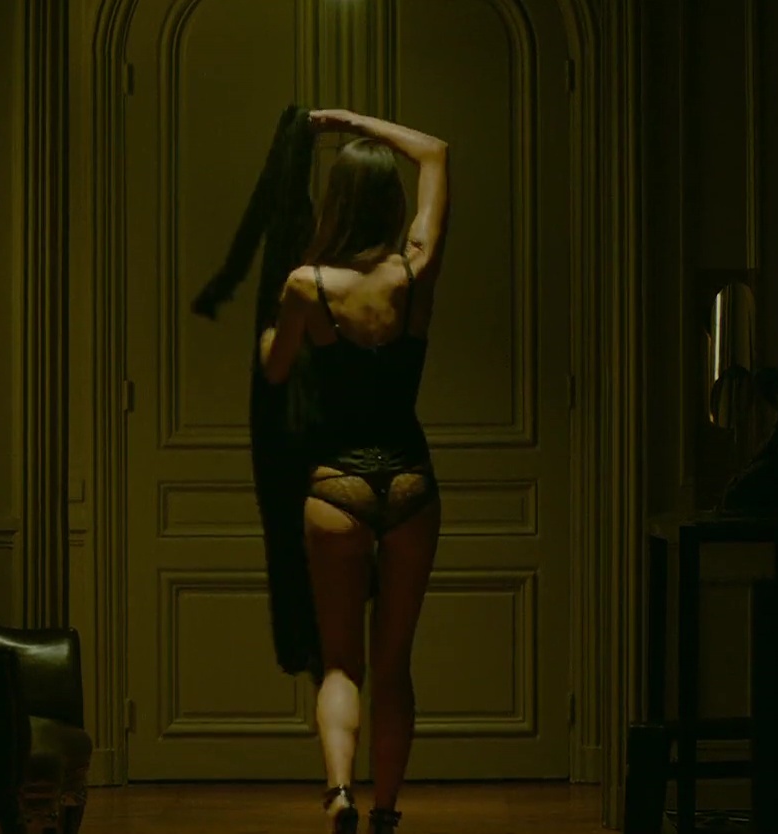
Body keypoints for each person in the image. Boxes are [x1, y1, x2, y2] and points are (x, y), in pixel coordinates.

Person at [256, 108, 449, 834]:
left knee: (341, 664)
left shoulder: (307, 285)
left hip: (335, 486)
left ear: (335, 203)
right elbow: (436, 151)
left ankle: (339, 793)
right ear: (391, 205)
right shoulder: (415, 273)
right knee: (394, 665)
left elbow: (277, 372)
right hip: (410, 483)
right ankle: (387, 813)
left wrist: (272, 339)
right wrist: (348, 120)